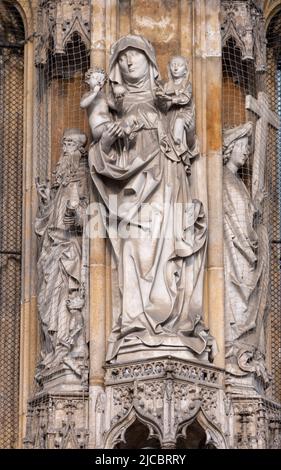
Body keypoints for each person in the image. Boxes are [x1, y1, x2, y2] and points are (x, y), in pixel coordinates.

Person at [88, 35, 215, 363]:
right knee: (135, 247)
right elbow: (102, 158)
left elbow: (187, 137)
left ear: (149, 59)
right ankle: (137, 323)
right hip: (134, 189)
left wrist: (181, 128)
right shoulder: (116, 108)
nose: (130, 62)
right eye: (123, 57)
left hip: (169, 182)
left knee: (170, 245)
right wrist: (110, 140)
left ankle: (172, 320)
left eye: (135, 55)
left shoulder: (165, 100)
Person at [35, 128, 89, 382]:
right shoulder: (61, 184)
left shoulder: (83, 178)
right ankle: (55, 351)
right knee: (49, 302)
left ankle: (68, 349)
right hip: (53, 250)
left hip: (71, 250)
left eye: (70, 144)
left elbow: (93, 217)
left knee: (67, 299)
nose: (65, 148)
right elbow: (46, 222)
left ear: (81, 151)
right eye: (64, 143)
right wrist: (47, 200)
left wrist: (77, 215)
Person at [223, 122, 269, 383]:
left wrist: (256, 214)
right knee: (235, 306)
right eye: (242, 145)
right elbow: (234, 225)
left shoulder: (236, 183)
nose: (247, 151)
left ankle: (241, 353)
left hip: (242, 258)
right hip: (232, 256)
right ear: (229, 148)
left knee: (242, 307)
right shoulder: (223, 180)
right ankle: (233, 351)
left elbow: (245, 220)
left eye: (248, 146)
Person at [155, 55, 199, 174]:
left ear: (185, 70)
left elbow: (184, 99)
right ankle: (180, 156)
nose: (176, 67)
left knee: (178, 127)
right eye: (173, 65)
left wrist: (169, 98)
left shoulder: (186, 85)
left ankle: (183, 157)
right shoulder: (165, 85)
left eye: (179, 65)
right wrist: (161, 98)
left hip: (183, 114)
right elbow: (161, 105)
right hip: (168, 116)